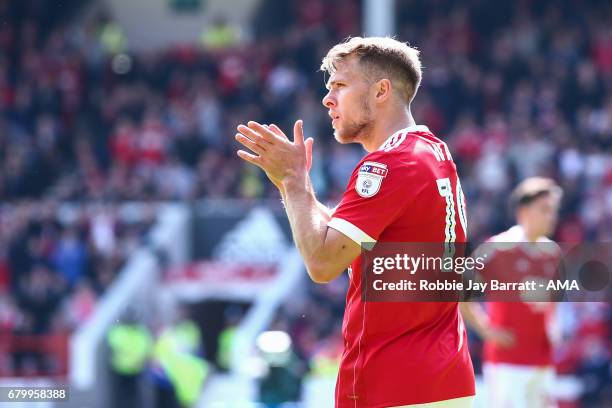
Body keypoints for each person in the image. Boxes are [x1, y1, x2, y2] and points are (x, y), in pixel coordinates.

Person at [236, 37, 475, 407]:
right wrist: (297, 183)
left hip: (390, 386)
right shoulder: (434, 153)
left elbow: (322, 262)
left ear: (381, 91)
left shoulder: (390, 164)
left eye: (340, 86)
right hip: (445, 379)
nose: (327, 99)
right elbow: (353, 243)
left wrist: (293, 183)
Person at [460, 177, 563, 407]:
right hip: (507, 361)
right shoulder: (499, 247)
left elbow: (552, 299)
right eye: (544, 209)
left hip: (541, 359)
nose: (551, 216)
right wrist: (486, 330)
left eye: (553, 210)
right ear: (524, 211)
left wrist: (553, 327)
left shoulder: (552, 252)